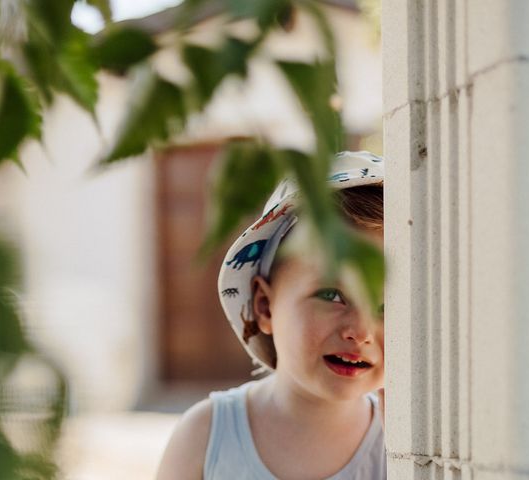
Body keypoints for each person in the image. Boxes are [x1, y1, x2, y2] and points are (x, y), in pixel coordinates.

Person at [156, 151, 386, 480]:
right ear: (265, 306)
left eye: (384, 307)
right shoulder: (206, 438)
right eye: (331, 294)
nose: (361, 331)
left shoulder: (400, 448)